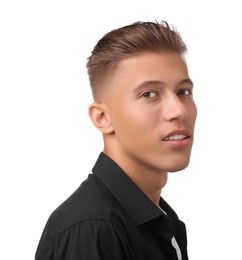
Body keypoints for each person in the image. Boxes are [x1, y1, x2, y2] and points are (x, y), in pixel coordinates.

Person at [35, 20, 197, 260]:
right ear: (102, 117)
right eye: (149, 94)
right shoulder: (93, 230)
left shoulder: (157, 219)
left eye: (183, 92)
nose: (179, 110)